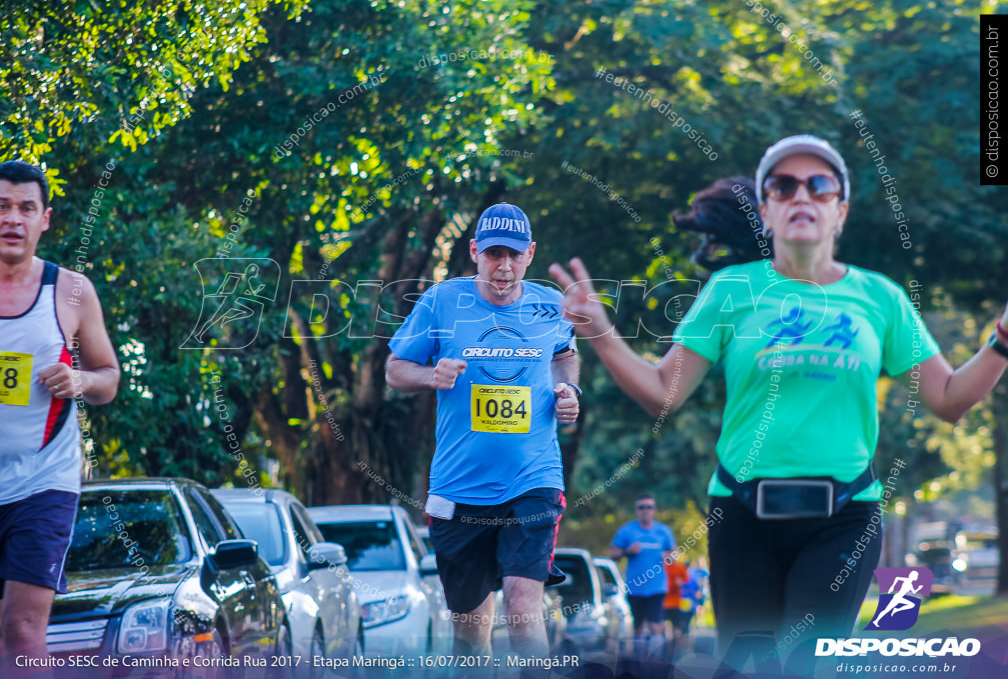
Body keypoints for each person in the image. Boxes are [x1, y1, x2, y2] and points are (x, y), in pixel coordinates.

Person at [550, 135, 1008, 669]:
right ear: (765, 210)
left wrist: (1001, 338)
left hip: (845, 518)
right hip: (742, 513)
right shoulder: (729, 290)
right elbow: (662, 394)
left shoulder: (880, 297)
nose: (801, 196)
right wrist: (602, 333)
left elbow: (948, 399)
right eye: (783, 186)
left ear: (840, 212)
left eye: (819, 186)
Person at [385, 202, 580, 657]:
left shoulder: (551, 305)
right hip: (459, 486)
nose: (504, 266)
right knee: (471, 633)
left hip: (534, 478)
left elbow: (564, 355)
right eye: (494, 254)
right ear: (475, 251)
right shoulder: (441, 302)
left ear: (530, 254)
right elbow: (396, 370)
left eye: (514, 255)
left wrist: (567, 390)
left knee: (522, 602)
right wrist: (431, 375)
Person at [0, 161, 120, 670]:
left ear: (46, 220)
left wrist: (81, 380)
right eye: (3, 206)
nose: (13, 218)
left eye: (26, 208)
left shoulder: (72, 291)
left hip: (42, 482)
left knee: (22, 630)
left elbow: (109, 376)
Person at [609, 493, 675, 651]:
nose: (645, 510)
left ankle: (656, 662)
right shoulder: (626, 530)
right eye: (641, 507)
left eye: (649, 507)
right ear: (636, 510)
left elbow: (674, 553)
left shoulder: (663, 531)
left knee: (655, 623)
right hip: (635, 587)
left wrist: (669, 556)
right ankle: (638, 664)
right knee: (637, 625)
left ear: (654, 510)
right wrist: (627, 551)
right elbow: (613, 554)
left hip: (657, 587)